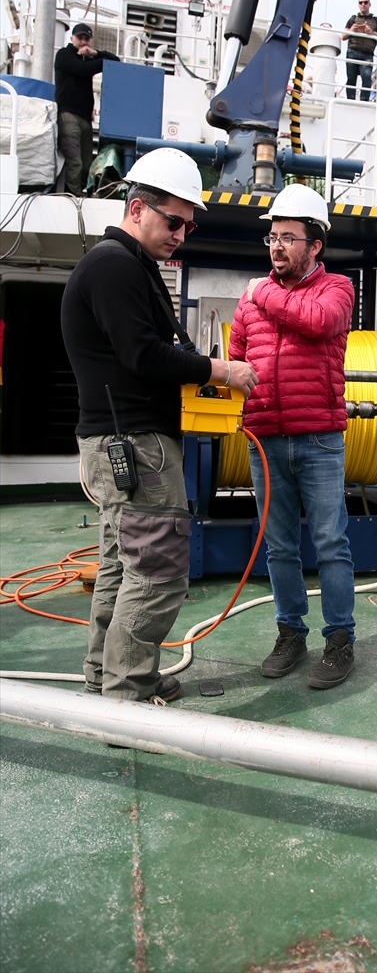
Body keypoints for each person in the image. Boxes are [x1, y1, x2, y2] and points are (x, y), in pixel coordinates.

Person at [61, 148, 257, 702]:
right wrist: (221, 370)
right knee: (158, 572)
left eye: (188, 226)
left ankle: (109, 678)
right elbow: (142, 355)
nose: (181, 234)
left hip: (125, 441)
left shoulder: (127, 265)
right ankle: (127, 694)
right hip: (136, 446)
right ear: (138, 207)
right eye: (174, 221)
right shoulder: (114, 266)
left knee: (123, 569)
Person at [228, 183, 358, 689]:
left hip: (319, 438)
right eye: (272, 238)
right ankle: (290, 634)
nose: (277, 246)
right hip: (264, 438)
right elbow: (237, 358)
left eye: (287, 237)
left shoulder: (337, 289)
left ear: (314, 246)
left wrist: (262, 292)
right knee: (279, 546)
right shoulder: (251, 303)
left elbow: (318, 323)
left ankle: (340, 640)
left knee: (330, 543)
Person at [54, 23, 119, 196]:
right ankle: (73, 197)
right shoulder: (64, 55)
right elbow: (82, 70)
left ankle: (77, 194)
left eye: (86, 38)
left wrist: (96, 54)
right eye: (79, 38)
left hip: (85, 119)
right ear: (72, 39)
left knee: (85, 164)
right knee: (74, 162)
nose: (83, 41)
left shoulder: (88, 59)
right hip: (69, 116)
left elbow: (115, 61)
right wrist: (98, 62)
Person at [342, 0, 377, 101]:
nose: (363, 4)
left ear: (369, 4)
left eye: (365, 2)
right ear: (358, 5)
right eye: (361, 3)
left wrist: (371, 32)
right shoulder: (353, 19)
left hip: (367, 54)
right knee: (351, 78)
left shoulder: (376, 21)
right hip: (352, 51)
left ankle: (364, 100)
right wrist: (352, 30)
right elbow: (343, 36)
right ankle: (350, 100)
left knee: (366, 78)